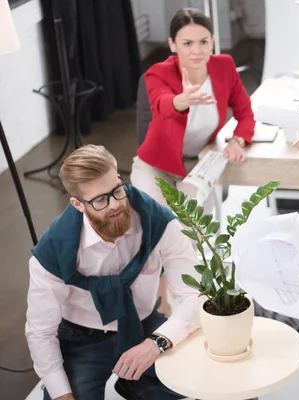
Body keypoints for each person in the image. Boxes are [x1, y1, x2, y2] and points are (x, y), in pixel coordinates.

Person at [25, 145, 200, 400]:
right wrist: (63, 395)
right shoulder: (53, 252)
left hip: (144, 326)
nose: (116, 204)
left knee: (196, 385)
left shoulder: (159, 222)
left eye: (117, 190)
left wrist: (157, 342)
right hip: (81, 337)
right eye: (100, 200)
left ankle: (136, 384)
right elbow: (40, 331)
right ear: (77, 204)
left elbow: (195, 294)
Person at [131, 8, 255, 316]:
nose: (196, 50)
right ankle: (158, 305)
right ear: (172, 44)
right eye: (187, 43)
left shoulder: (224, 67)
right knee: (156, 229)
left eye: (203, 41)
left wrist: (238, 140)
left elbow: (245, 112)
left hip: (199, 167)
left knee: (192, 236)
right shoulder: (158, 73)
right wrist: (181, 100)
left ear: (213, 41)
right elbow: (160, 104)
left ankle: (187, 302)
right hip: (155, 165)